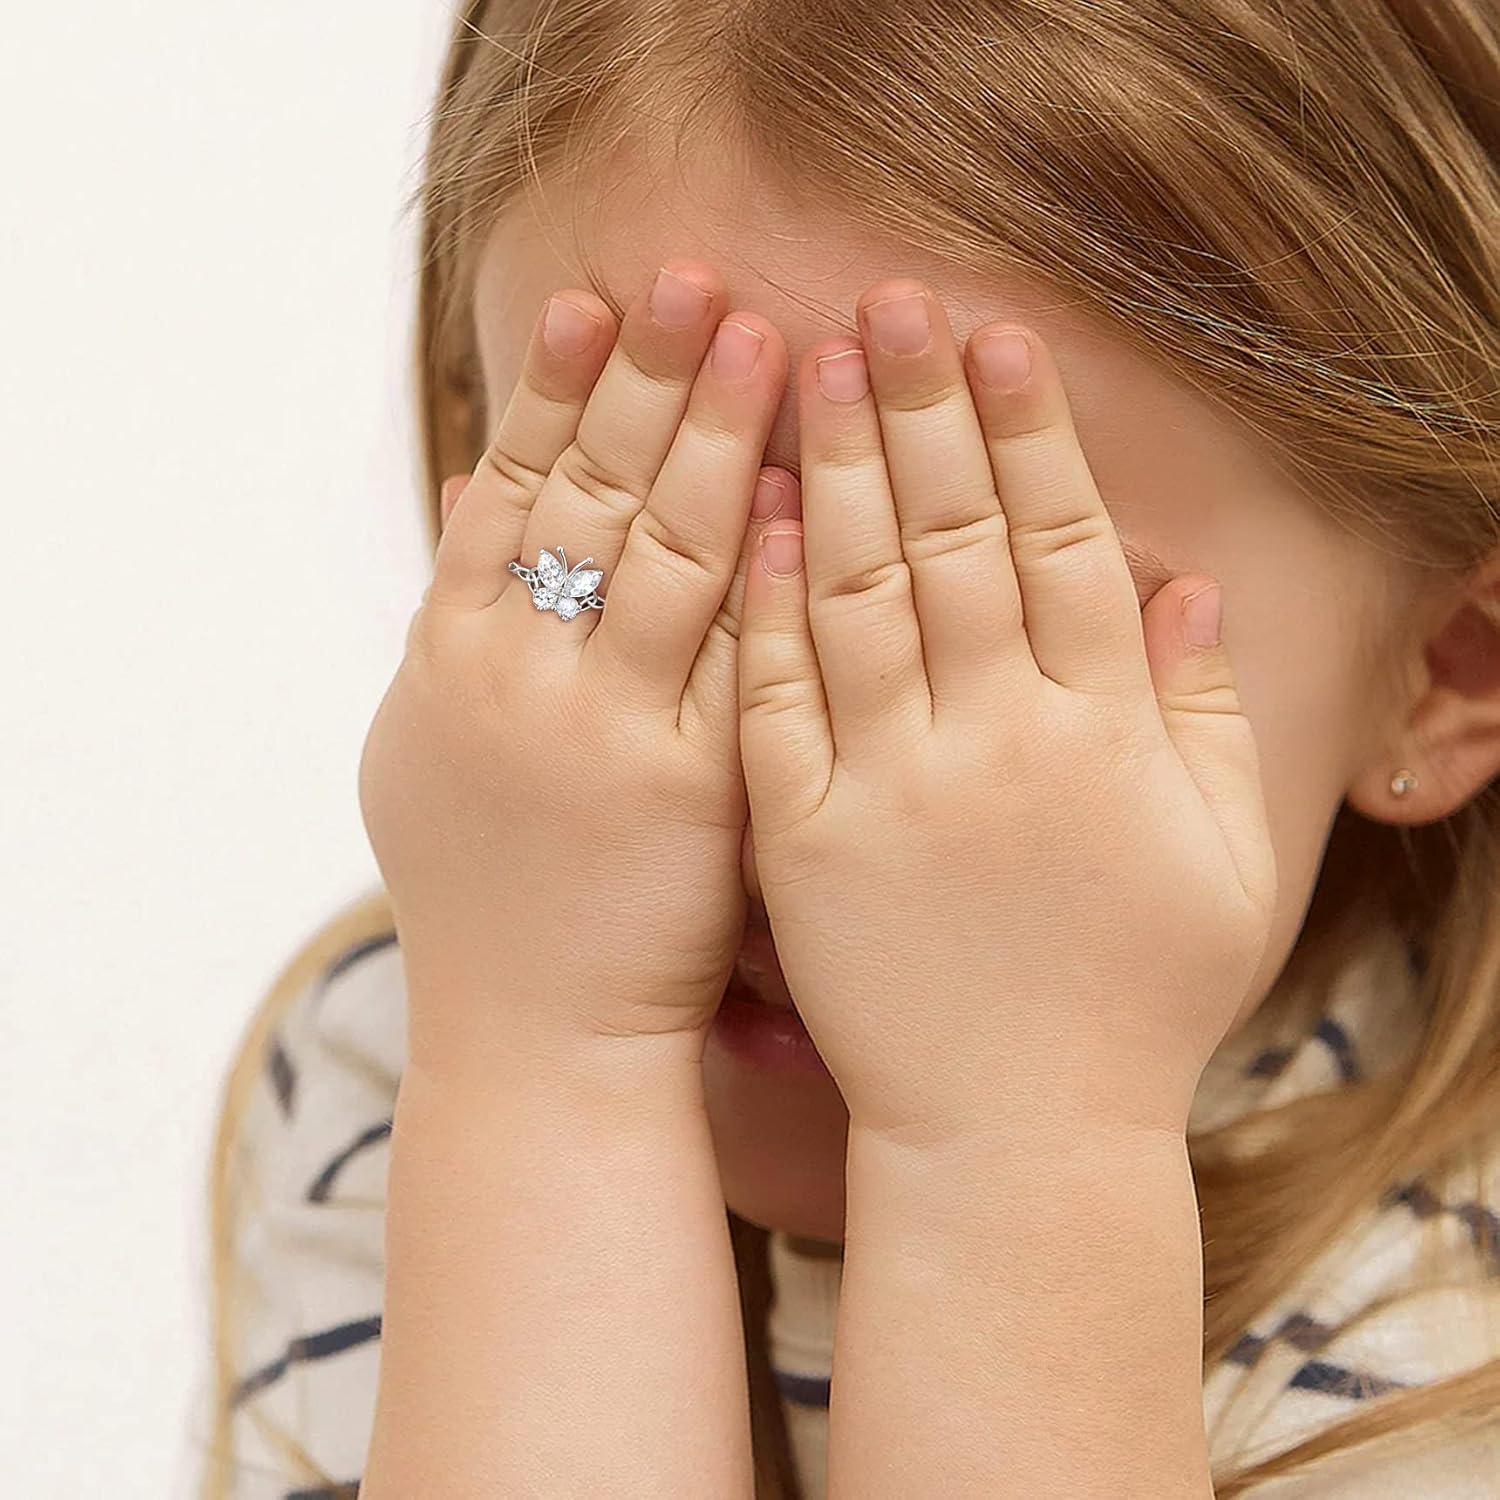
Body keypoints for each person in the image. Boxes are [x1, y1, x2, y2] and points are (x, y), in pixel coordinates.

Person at [200, 2, 1500, 1495]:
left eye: (989, 631)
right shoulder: (416, 1041)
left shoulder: (1449, 1334)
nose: (787, 787)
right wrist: (542, 1088)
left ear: (1448, 669)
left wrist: (1021, 1151)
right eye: (630, 563)